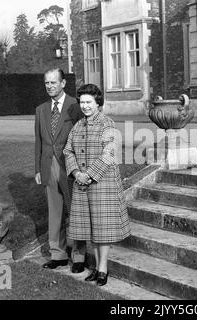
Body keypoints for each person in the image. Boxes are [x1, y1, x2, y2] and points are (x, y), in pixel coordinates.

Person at [63, 83, 131, 286]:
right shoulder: (78, 126)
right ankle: (97, 267)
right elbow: (68, 151)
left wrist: (89, 175)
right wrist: (76, 172)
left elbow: (108, 154)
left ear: (98, 103)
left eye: (89, 102)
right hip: (82, 184)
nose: (85, 106)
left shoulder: (107, 124)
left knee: (103, 229)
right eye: (82, 102)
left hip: (103, 184)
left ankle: (103, 269)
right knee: (91, 228)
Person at [34, 68, 86, 273]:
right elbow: (38, 141)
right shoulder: (41, 109)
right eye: (47, 83)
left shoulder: (76, 105)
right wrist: (38, 168)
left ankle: (79, 256)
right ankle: (58, 254)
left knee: (76, 211)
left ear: (63, 83)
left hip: (71, 166)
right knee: (54, 212)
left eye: (53, 82)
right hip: (49, 166)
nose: (49, 86)